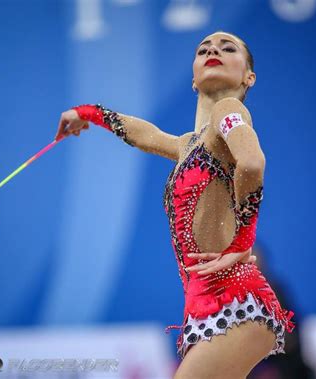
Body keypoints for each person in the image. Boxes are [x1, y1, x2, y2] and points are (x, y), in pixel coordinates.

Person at [55, 31, 294, 379]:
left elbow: (253, 163)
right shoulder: (190, 146)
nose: (214, 50)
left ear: (248, 77)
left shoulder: (229, 111)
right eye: (203, 49)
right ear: (194, 78)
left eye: (228, 48)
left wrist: (243, 243)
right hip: (210, 308)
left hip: (235, 301)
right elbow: (145, 135)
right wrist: (87, 112)